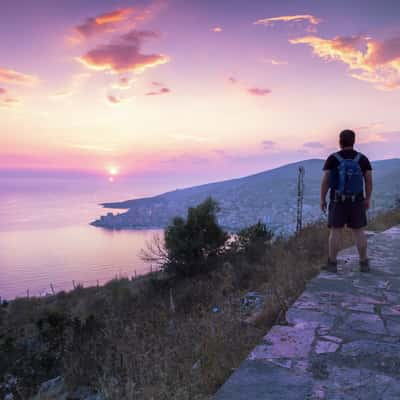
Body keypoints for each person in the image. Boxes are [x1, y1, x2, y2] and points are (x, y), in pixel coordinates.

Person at [320, 129, 373, 273]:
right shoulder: (362, 159)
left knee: (335, 232)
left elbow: (325, 181)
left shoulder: (333, 158)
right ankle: (364, 263)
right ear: (354, 141)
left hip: (338, 200)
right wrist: (367, 199)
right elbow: (368, 182)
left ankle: (332, 264)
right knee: (359, 232)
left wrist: (322, 199)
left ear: (340, 141)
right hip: (357, 201)